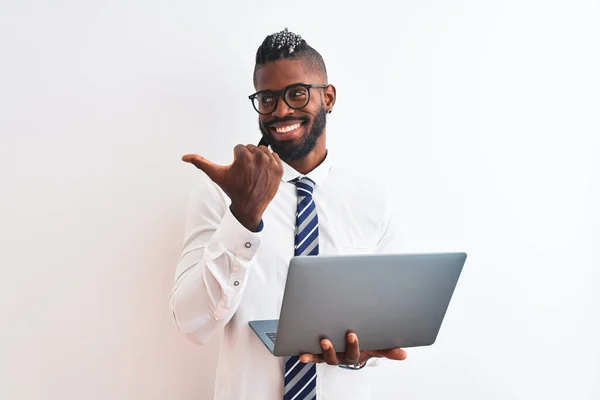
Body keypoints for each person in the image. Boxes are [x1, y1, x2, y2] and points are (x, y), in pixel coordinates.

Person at [170, 28, 407, 400]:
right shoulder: (221, 196)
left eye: (297, 94)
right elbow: (191, 323)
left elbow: (389, 323)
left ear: (328, 97)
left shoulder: (373, 201)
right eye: (267, 98)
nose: (281, 111)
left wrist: (362, 353)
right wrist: (242, 218)